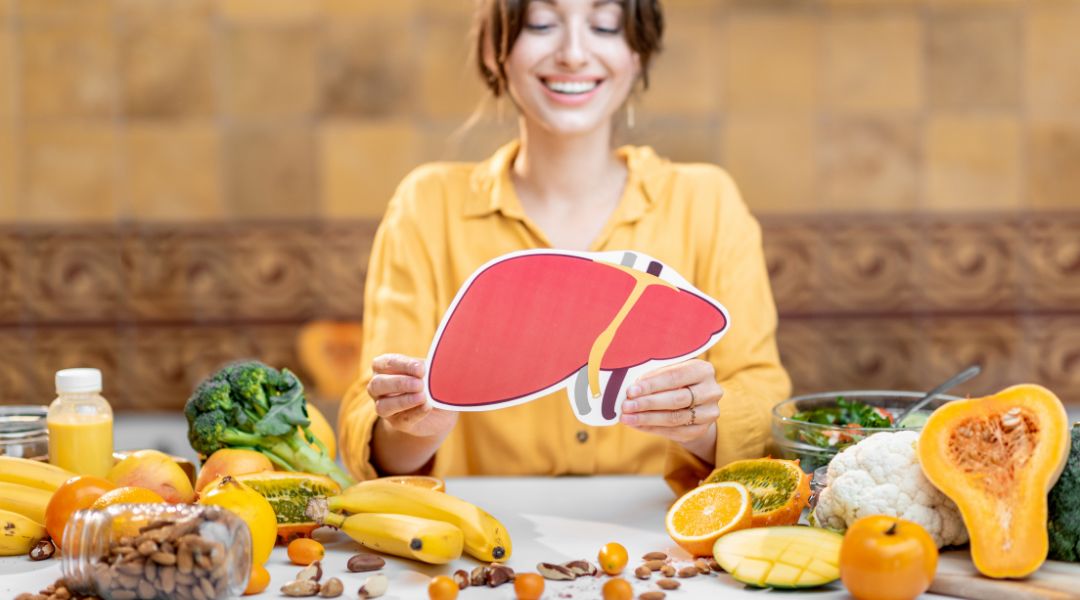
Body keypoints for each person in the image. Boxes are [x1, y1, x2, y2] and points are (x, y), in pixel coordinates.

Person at [338, 0, 790, 495]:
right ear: (495, 50)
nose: (574, 53)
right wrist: (414, 424)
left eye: (603, 25)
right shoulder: (426, 206)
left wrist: (701, 425)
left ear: (637, 52)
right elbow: (373, 437)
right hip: (483, 543)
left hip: (665, 542)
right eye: (542, 23)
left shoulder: (708, 201)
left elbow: (762, 399)